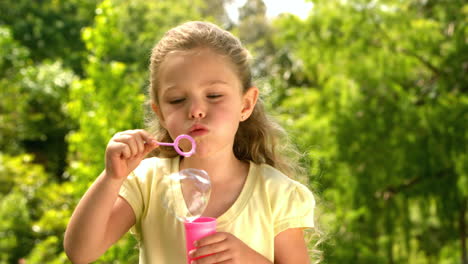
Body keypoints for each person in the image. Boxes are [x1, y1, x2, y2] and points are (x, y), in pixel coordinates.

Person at [64, 21, 315, 264]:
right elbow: (81, 252)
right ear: (160, 113)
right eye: (176, 100)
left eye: (214, 95)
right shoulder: (148, 182)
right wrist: (112, 178)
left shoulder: (276, 192)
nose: (195, 110)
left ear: (246, 104)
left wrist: (249, 260)